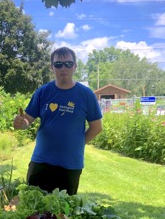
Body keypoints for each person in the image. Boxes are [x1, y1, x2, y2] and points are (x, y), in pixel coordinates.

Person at [13, 47, 102, 195]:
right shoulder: (43, 92)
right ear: (51, 67)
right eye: (58, 64)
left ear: (75, 66)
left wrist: (77, 143)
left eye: (68, 64)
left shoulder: (86, 95)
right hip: (41, 161)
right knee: (33, 211)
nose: (63, 68)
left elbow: (97, 127)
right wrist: (22, 124)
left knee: (63, 214)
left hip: (70, 165)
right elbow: (27, 120)